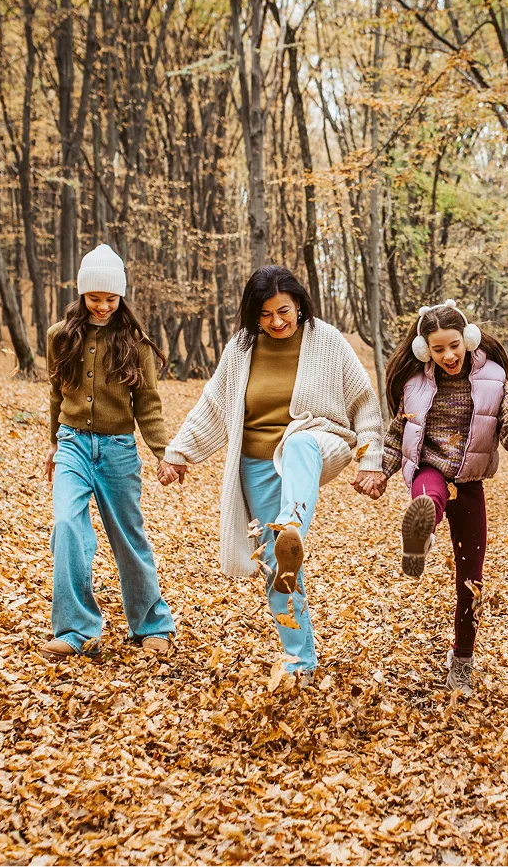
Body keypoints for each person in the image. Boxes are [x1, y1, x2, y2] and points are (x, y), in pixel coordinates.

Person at [158, 266, 384, 686]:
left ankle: (290, 529)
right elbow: (213, 405)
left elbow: (365, 404)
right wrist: (178, 453)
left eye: (284, 310)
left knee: (298, 445)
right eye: (265, 314)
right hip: (257, 465)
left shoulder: (327, 342)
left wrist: (370, 460)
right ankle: (301, 658)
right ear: (253, 315)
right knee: (277, 569)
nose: (276, 321)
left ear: (299, 305)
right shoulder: (242, 349)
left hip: (319, 442)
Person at [359, 301, 508, 697]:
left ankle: (462, 662)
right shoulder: (416, 383)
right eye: (438, 350)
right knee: (429, 495)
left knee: (470, 580)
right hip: (429, 469)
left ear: (467, 339)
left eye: (454, 345)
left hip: (469, 479)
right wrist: (377, 473)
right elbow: (395, 435)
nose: (448, 356)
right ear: (425, 350)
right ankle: (421, 533)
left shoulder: (493, 377)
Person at [43, 244, 177, 658]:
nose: (102, 307)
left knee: (127, 536)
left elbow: (148, 404)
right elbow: (55, 392)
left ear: (121, 298)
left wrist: (162, 452)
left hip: (118, 450)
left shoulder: (134, 342)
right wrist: (52, 443)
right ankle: (75, 631)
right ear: (82, 296)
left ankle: (152, 623)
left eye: (111, 299)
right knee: (66, 525)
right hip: (72, 444)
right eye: (94, 298)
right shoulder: (59, 337)